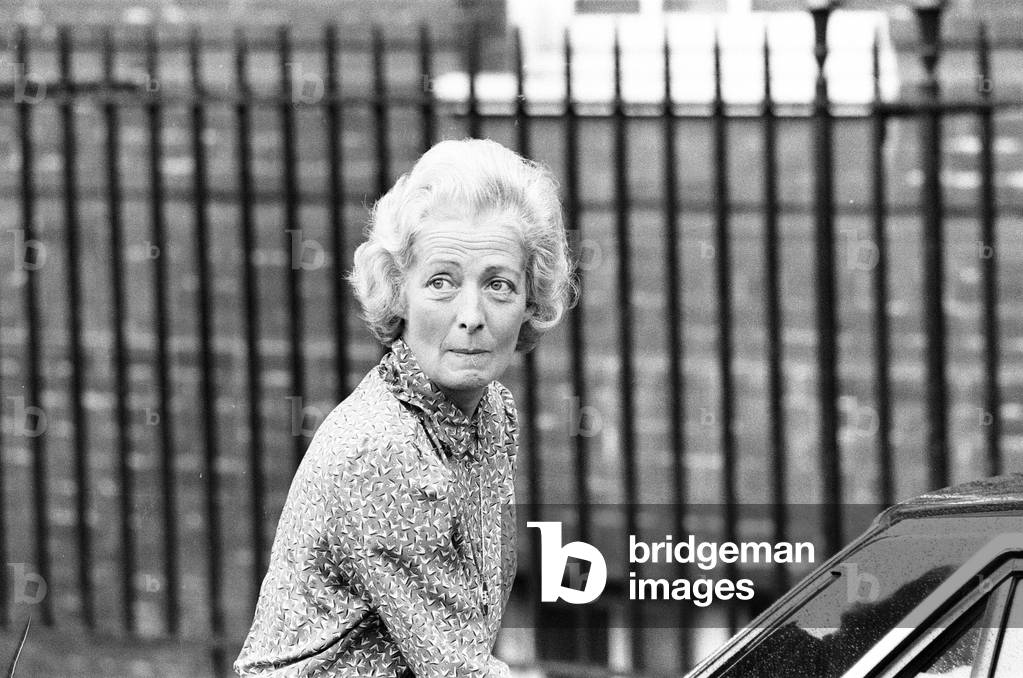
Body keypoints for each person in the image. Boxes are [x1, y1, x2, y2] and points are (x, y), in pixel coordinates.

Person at [234, 138, 575, 677]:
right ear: (399, 292)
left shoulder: (492, 414)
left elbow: (467, 633)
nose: (471, 315)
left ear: (531, 301)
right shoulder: (382, 450)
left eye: (499, 285)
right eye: (441, 282)